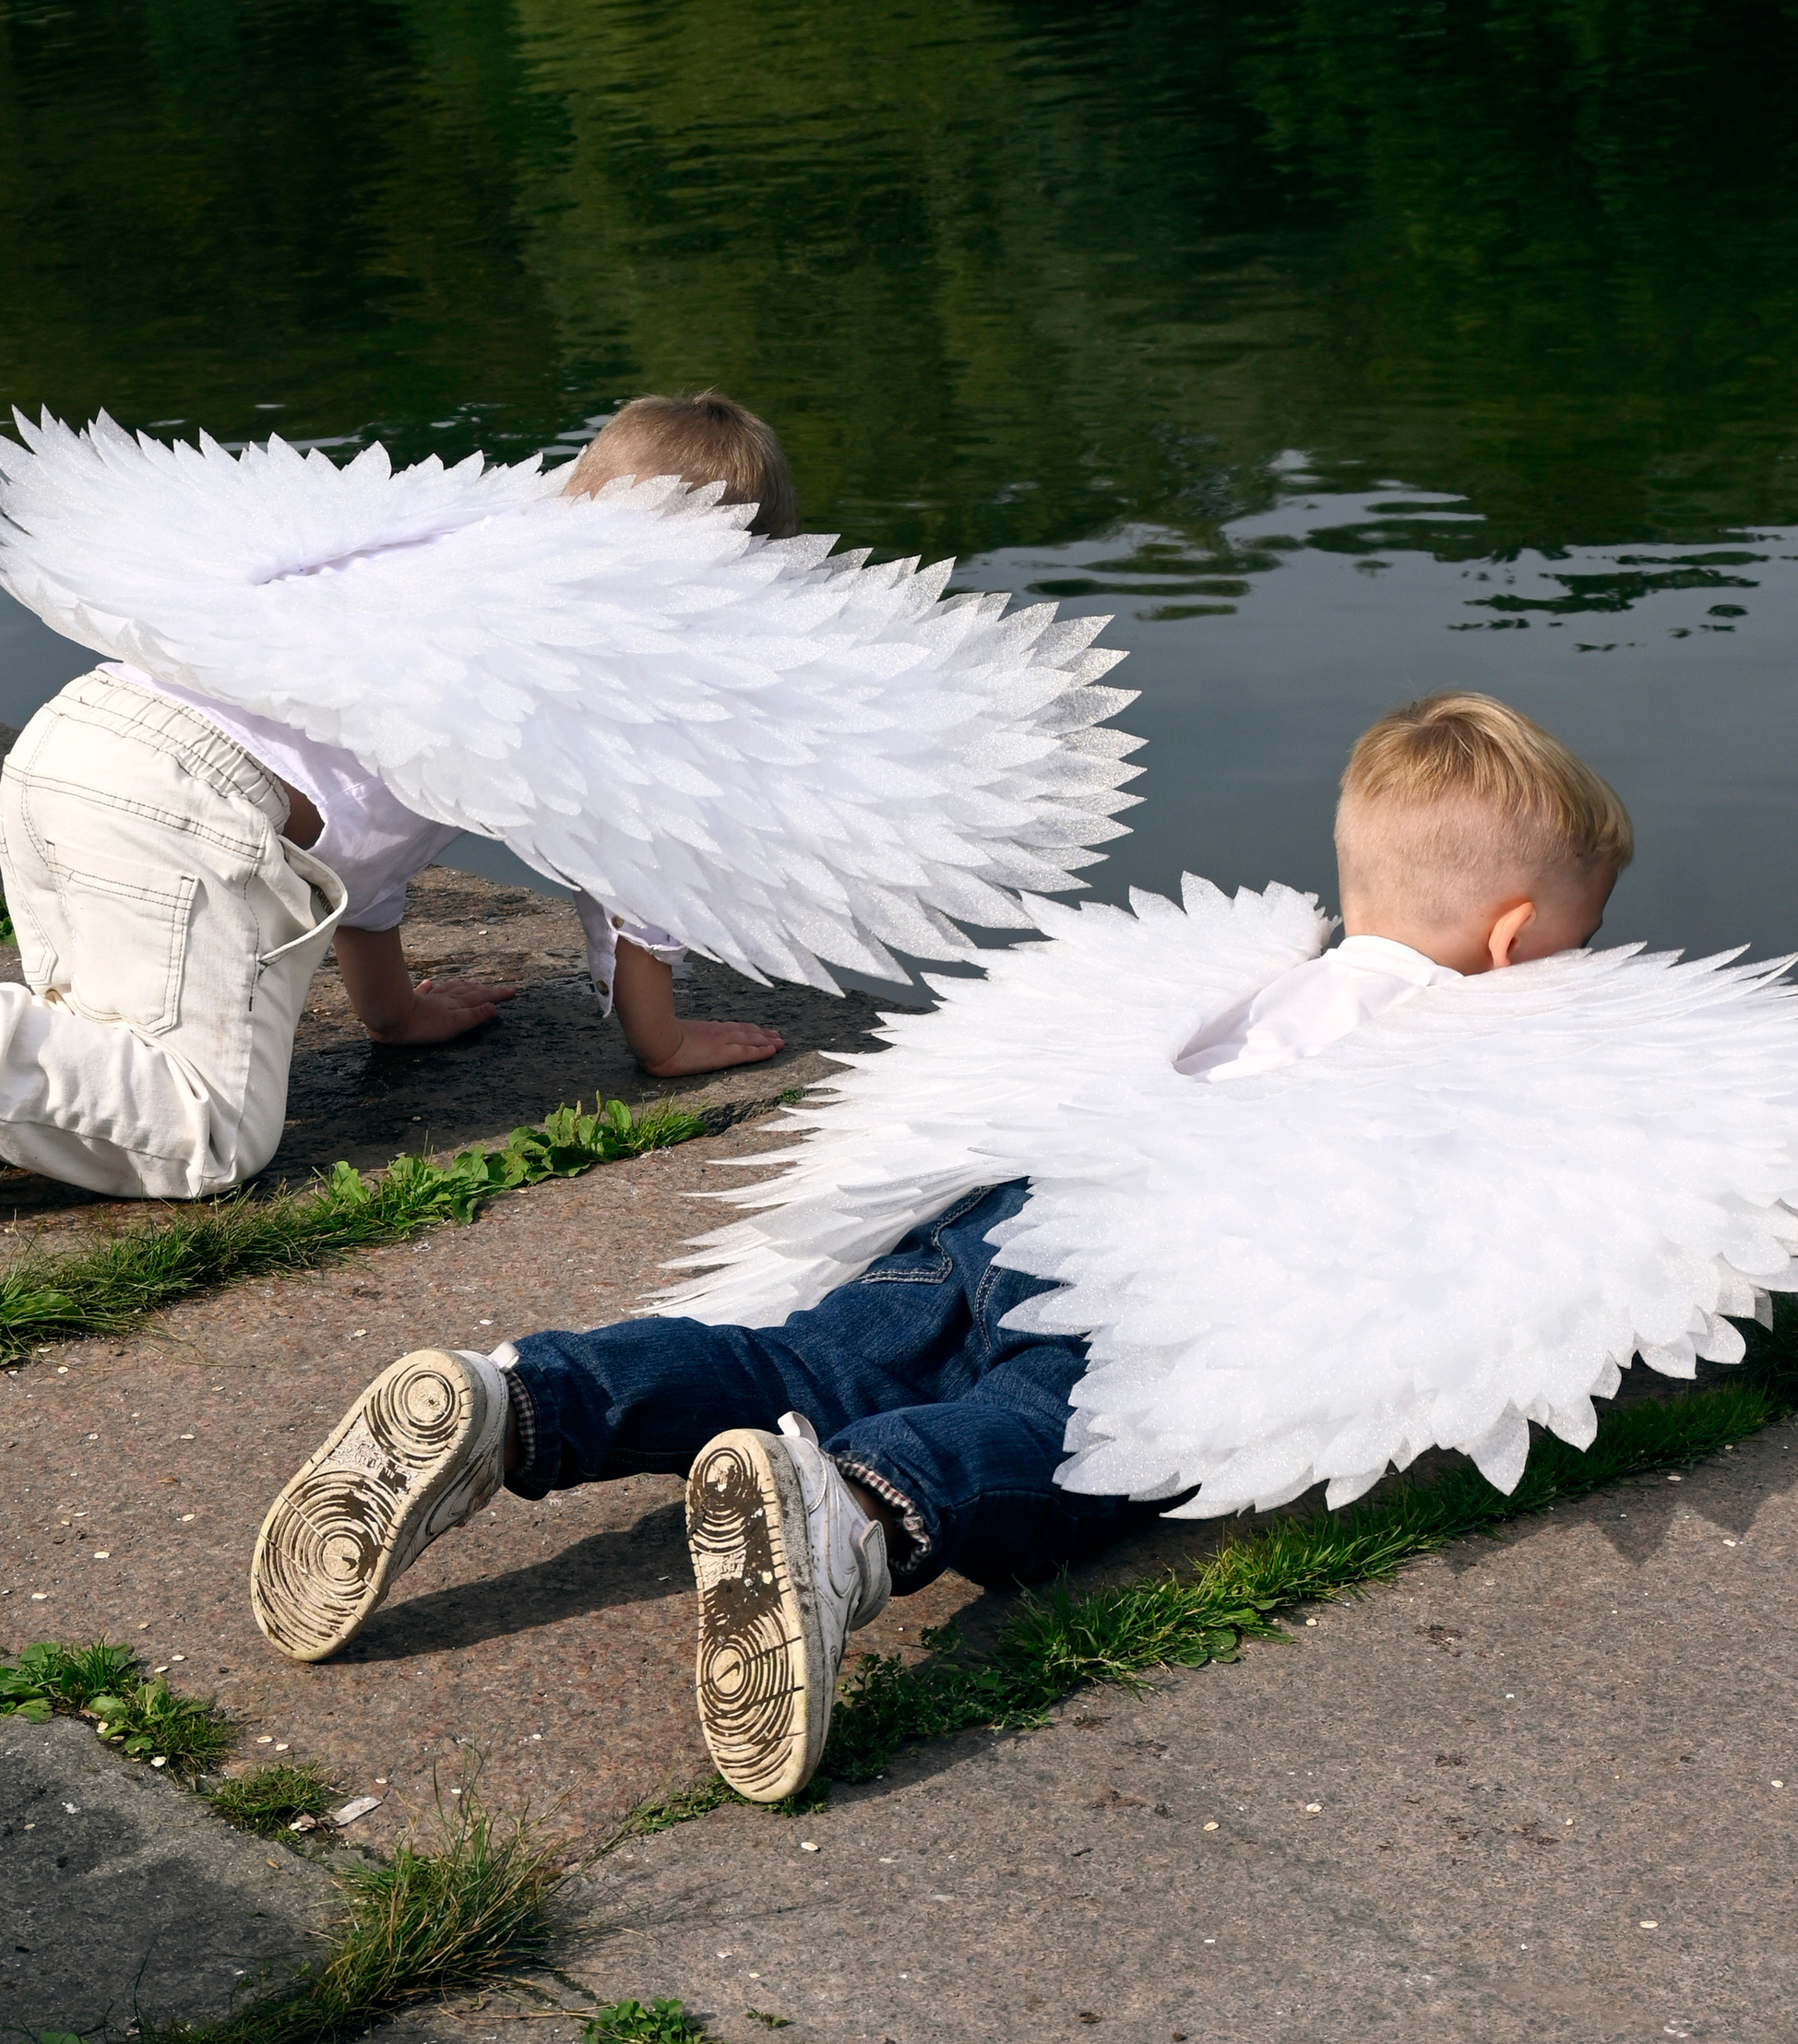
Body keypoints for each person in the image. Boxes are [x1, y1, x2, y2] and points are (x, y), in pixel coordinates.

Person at [248, 692, 1789, 1810]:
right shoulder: (1500, 1043)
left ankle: (520, 1398)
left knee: (795, 1356)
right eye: (1578, 943)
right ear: (1519, 939)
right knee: (1068, 1434)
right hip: (1162, 1267)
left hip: (1002, 1206)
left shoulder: (1257, 981)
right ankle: (857, 1514)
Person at [0, 389, 1136, 1236]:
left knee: (114, 1053)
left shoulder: (460, 556)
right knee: (207, 1135)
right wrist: (664, 1042)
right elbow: (642, 862)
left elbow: (369, 848)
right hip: (190, 811)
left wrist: (391, 1010)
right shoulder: (617, 644)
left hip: (82, 749)